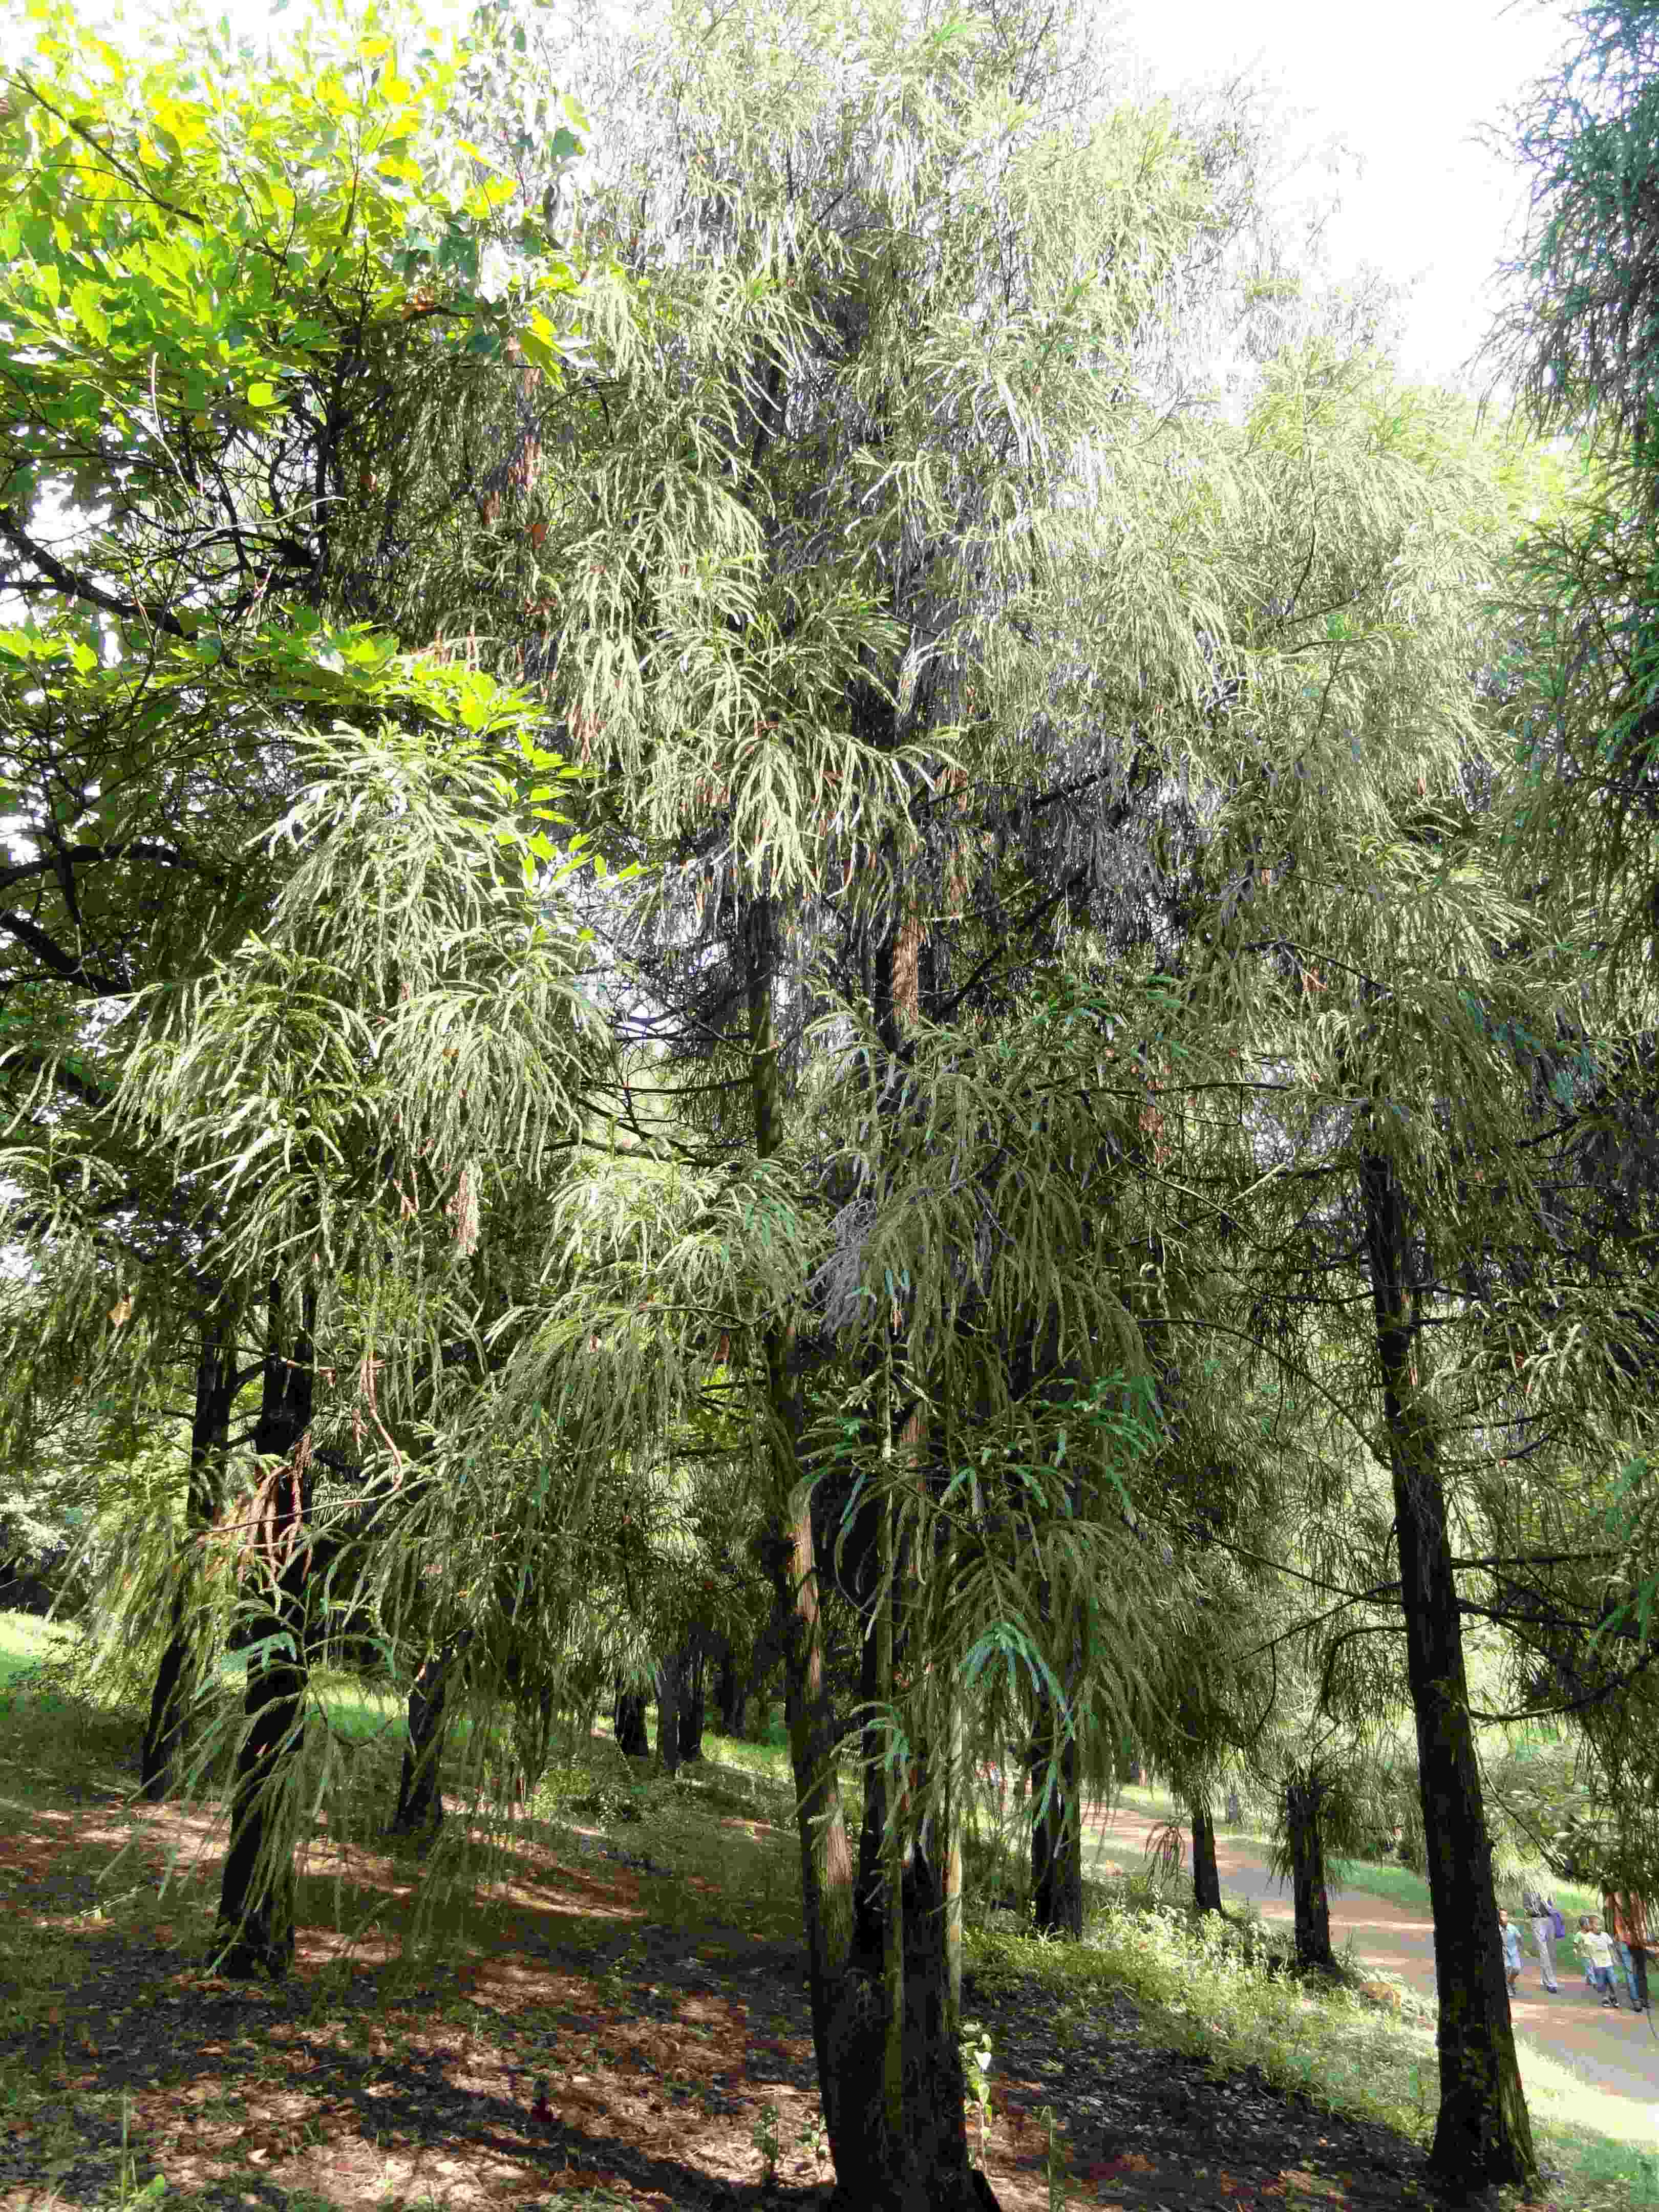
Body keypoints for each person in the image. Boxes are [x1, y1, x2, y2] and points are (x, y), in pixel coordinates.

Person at [1604, 1886, 1651, 2014]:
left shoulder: (1617, 1896)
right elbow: (1643, 1917)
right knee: (1640, 1970)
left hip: (1624, 1939)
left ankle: (1637, 2001)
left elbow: (1606, 1905)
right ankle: (1643, 1999)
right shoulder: (1640, 1896)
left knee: (1630, 1971)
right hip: (1638, 1938)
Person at [1521, 1876, 1561, 1992]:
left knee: (1551, 1952)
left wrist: (1549, 1905)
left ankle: (1546, 1979)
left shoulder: (1546, 1889)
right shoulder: (1527, 1891)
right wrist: (1536, 1908)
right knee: (1543, 1952)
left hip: (1549, 1920)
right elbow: (1527, 1908)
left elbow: (1552, 1904)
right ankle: (1551, 1982)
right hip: (1537, 1921)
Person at [1582, 1915, 1625, 2010]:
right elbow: (1589, 1950)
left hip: (1608, 1963)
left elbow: (1610, 1947)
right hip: (1598, 1964)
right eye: (1597, 1925)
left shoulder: (1605, 1935)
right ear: (1591, 1926)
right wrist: (1592, 1961)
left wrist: (1614, 1959)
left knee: (1613, 1981)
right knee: (1601, 1983)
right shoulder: (1588, 1937)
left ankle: (1613, 1996)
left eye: (1600, 1925)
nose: (1599, 1927)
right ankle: (1605, 1998)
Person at [1499, 1907, 1523, 1996]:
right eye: (1502, 1916)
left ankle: (1510, 1982)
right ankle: (1508, 1988)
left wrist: (1521, 1947)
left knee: (1517, 1970)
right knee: (1507, 1969)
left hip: (1513, 1951)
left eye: (1506, 1916)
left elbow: (1519, 1938)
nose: (1505, 1918)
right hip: (1504, 1952)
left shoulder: (1512, 1928)